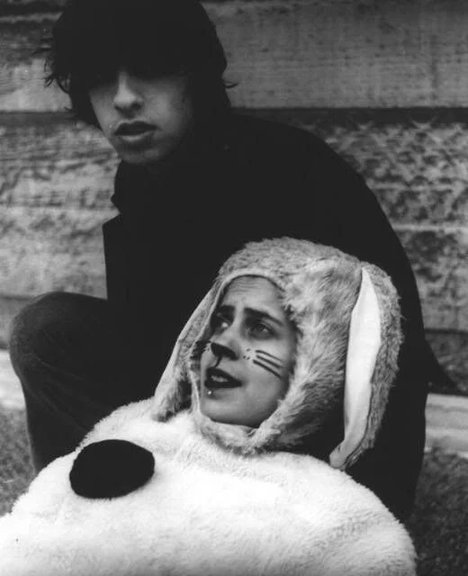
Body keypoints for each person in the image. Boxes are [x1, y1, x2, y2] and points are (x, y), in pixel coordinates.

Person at [9, 0, 431, 520]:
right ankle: (72, 511)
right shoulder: (143, 177)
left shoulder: (283, 170)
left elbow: (371, 372)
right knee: (47, 329)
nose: (123, 98)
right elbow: (157, 340)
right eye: (99, 78)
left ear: (197, 76)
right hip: (207, 407)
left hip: (312, 453)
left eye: (150, 70)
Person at [0, 239, 417, 576]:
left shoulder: (338, 521)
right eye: (220, 321)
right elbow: (31, 530)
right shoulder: (130, 428)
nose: (222, 343)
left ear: (323, 361)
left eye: (259, 328)